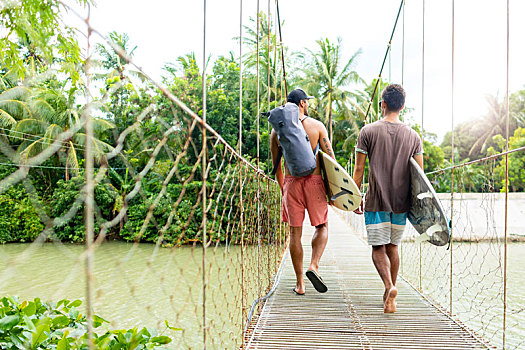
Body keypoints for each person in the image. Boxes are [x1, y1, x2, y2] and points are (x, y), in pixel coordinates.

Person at [352, 84, 423, 313]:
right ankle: (389, 294)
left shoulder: (368, 132)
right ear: (402, 106)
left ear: (382, 104)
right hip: (400, 203)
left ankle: (389, 286)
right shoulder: (413, 136)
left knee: (377, 248)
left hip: (376, 201)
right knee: (393, 247)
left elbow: (359, 170)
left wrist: (354, 197)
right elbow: (419, 176)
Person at [270, 88, 335, 295]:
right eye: (307, 101)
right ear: (302, 104)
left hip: (291, 183)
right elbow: (331, 161)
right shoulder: (317, 126)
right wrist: (335, 192)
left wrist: (284, 190)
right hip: (315, 182)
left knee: (294, 233)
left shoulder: (277, 130)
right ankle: (313, 266)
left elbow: (276, 167)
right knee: (322, 225)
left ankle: (300, 284)